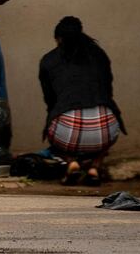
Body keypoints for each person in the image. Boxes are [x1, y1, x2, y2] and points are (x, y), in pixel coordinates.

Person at [39, 16, 126, 186]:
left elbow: (50, 101)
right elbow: (108, 91)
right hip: (105, 128)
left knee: (52, 125)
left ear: (59, 39)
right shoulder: (98, 54)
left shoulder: (49, 60)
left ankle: (71, 162)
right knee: (109, 123)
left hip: (66, 130)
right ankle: (94, 167)